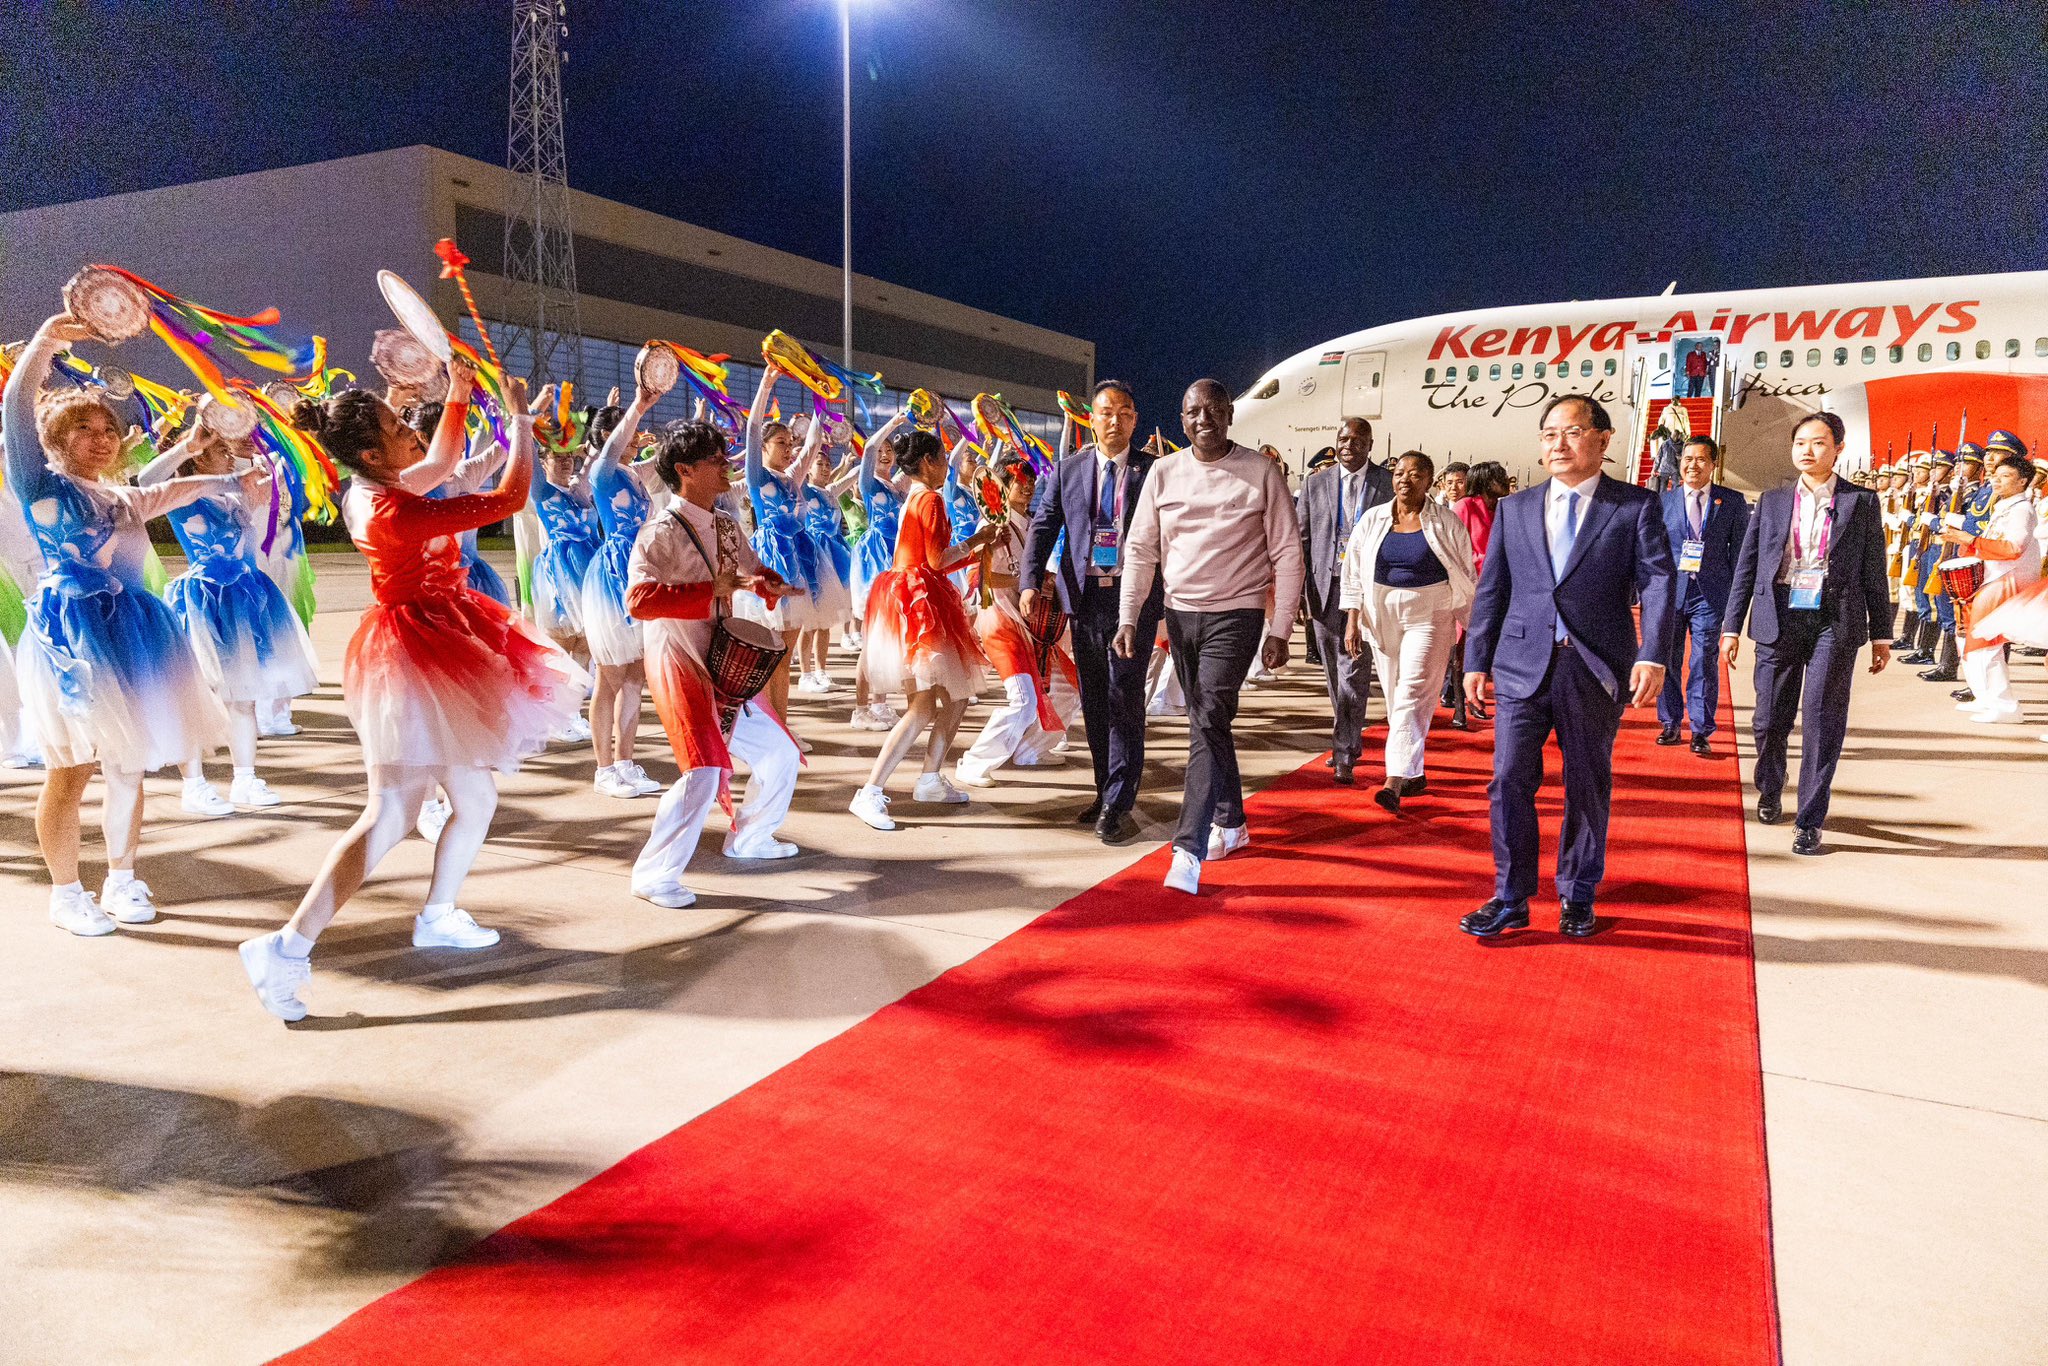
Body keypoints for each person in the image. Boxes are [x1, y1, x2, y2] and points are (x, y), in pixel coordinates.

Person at [238, 369, 584, 1020]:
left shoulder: (375, 486)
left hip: (432, 639)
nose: (411, 435)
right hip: (415, 654)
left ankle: (439, 913)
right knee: (392, 813)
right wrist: (517, 421)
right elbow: (508, 499)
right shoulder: (394, 507)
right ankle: (286, 948)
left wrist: (458, 390)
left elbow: (446, 457)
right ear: (372, 453)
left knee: (474, 798)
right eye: (399, 430)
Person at [5, 312, 238, 935]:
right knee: (71, 770)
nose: (101, 437)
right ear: (54, 441)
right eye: (83, 428)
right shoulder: (39, 483)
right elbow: (14, 412)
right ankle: (66, 891)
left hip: (136, 641)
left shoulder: (127, 497)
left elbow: (189, 490)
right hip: (72, 643)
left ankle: (124, 876)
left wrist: (236, 467)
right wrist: (47, 343)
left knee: (129, 764)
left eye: (108, 427)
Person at [1461, 394, 1676, 937]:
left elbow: (1657, 580)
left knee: (1586, 782)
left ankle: (1578, 894)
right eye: (1549, 433)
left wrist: (1653, 652)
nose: (1559, 443)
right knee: (1508, 779)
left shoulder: (1632, 507)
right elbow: (1494, 589)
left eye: (1573, 432)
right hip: (1520, 665)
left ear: (1603, 441)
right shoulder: (1514, 508)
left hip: (1593, 665)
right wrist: (1475, 660)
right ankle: (1510, 896)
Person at [1114, 378, 1304, 895]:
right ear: (1183, 420)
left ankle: (1188, 848)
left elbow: (1288, 552)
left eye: (1214, 410)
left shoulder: (1260, 472)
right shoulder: (1163, 472)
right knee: (1210, 720)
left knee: (1208, 715)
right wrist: (1129, 616)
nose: (1204, 419)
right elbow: (1140, 550)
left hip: (1237, 614)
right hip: (1180, 614)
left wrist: (1280, 627)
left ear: (1229, 415)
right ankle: (1233, 821)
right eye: (1193, 411)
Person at [626, 422, 802, 906]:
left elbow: (750, 570)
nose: (726, 465)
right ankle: (653, 875)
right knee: (702, 770)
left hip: (723, 658)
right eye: (715, 460)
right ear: (684, 470)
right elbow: (639, 600)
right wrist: (710, 592)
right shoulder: (659, 531)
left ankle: (750, 837)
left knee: (779, 753)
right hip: (677, 657)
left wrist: (771, 583)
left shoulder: (724, 523)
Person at [1720, 411, 1892, 856]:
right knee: (1769, 719)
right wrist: (1731, 626)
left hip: (1834, 621)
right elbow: (1747, 566)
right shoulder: (1772, 501)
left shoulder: (1861, 502)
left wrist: (1882, 633)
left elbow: (1874, 569)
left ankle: (1810, 819)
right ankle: (1770, 788)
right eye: (1800, 443)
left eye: (1818, 443)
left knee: (1821, 718)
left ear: (1838, 448)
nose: (1807, 451)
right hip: (1778, 615)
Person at [143, 419, 319, 811]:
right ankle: (194, 785)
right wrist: (187, 446)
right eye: (219, 450)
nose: (228, 454)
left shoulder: (238, 492)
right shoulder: (181, 494)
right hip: (204, 599)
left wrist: (264, 436)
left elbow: (287, 461)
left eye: (226, 449)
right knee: (197, 696)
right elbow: (146, 477)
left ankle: (246, 779)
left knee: (245, 698)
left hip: (248, 597)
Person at [1022, 379, 1164, 846]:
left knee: (1125, 698)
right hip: (1084, 602)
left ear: (1135, 419)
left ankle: (1119, 804)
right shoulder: (1067, 470)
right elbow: (1043, 527)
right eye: (1106, 412)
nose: (1114, 420)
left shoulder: (1154, 472)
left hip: (1133, 601)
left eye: (1124, 412)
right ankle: (1106, 792)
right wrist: (1028, 583)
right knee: (1097, 701)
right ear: (1092, 418)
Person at [847, 428, 999, 830]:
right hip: (920, 601)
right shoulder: (929, 498)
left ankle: (929, 778)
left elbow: (933, 560)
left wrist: (973, 550)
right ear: (929, 462)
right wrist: (977, 541)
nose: (947, 465)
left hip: (913, 596)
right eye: (943, 458)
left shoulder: (915, 496)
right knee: (926, 705)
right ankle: (870, 791)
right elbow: (935, 560)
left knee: (954, 697)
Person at [1339, 451, 1475, 810]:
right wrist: (1352, 619)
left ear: (1429, 481)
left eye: (1415, 474)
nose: (1405, 480)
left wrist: (1473, 627)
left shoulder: (1446, 523)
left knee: (1413, 691)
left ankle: (1394, 779)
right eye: (1399, 473)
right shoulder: (1372, 520)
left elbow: (1466, 574)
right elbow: (1353, 571)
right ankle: (1415, 773)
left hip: (1430, 612)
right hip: (1380, 612)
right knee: (1396, 694)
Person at [955, 451, 1076, 787]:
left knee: (1070, 685)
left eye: (1031, 481)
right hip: (1000, 621)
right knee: (1022, 699)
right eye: (1019, 481)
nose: (1028, 486)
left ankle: (1032, 749)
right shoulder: (991, 526)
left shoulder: (1028, 523)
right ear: (1002, 486)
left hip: (1029, 621)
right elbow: (981, 581)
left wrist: (1042, 581)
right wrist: (1033, 583)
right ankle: (974, 762)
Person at [1295, 416, 1391, 783]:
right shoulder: (1316, 483)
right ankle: (1348, 739)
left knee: (1355, 670)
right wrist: (1302, 594)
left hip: (1365, 592)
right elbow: (1302, 541)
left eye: (1357, 439)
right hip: (1325, 588)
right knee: (1335, 674)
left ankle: (1343, 750)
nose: (1349, 445)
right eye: (1343, 439)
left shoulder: (1385, 483)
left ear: (1370, 444)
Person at [580, 391, 664, 799]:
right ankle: (603, 768)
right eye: (625, 436)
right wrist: (639, 405)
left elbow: (660, 462)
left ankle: (627, 762)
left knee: (635, 678)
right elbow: (614, 447)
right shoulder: (602, 471)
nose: (633, 440)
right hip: (612, 579)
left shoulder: (633, 474)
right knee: (610, 678)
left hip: (639, 573)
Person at [1657, 436, 1750, 757]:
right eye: (1687, 459)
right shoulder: (1663, 502)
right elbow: (1652, 552)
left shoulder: (1732, 502)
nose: (1692, 465)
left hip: (1709, 595)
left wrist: (1737, 597)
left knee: (1703, 661)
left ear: (1713, 464)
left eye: (1700, 459)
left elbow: (1739, 554)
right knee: (1668, 660)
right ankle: (1670, 722)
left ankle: (1700, 728)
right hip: (1671, 594)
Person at [1946, 439, 2040, 721]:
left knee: (1985, 643)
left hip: (2006, 580)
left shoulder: (2021, 510)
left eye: (2006, 476)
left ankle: (2005, 706)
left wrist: (1970, 540)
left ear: (2023, 481)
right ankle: (1985, 697)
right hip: (1994, 577)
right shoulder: (2004, 507)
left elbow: (2012, 548)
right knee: (1970, 641)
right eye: (1995, 476)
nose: (1997, 481)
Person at [1444, 460, 1509, 729]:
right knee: (1464, 651)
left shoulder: (1506, 507)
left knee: (1494, 649)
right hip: (1472, 588)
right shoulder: (1465, 506)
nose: (1503, 481)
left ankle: (1479, 700)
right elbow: (1454, 549)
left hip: (1501, 588)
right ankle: (1461, 706)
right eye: (1497, 478)